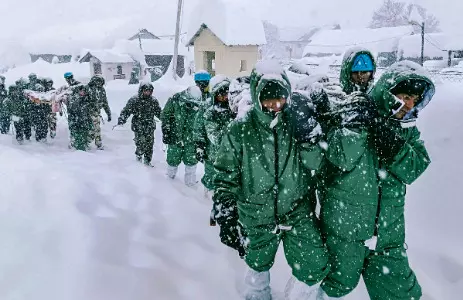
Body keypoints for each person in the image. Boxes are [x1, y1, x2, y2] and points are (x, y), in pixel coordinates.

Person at [317, 61, 435, 300]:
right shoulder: (354, 116)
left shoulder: (406, 129)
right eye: (404, 96)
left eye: (414, 98)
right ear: (388, 93)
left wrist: (388, 137)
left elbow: (415, 167)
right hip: (345, 230)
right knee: (335, 285)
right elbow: (340, 158)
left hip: (388, 234)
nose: (409, 104)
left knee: (401, 293)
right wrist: (358, 128)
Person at [213, 61, 330, 300]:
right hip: (256, 213)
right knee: (257, 265)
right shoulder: (240, 129)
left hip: (297, 210)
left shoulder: (295, 123)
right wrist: (225, 209)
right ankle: (258, 295)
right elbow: (225, 173)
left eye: (280, 99)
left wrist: (309, 138)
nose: (275, 105)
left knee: (313, 263)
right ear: (257, 97)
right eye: (268, 99)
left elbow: (316, 164)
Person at [193, 75, 235, 197]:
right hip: (212, 152)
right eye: (221, 95)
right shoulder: (207, 108)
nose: (224, 98)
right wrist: (199, 145)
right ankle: (208, 195)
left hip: (232, 153)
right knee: (211, 174)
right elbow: (198, 127)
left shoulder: (234, 107)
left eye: (227, 94)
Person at [161, 85, 202, 186]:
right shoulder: (174, 101)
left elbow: (202, 122)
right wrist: (166, 130)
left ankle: (190, 184)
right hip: (175, 136)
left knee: (191, 160)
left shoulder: (199, 104)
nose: (193, 106)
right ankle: (170, 181)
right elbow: (165, 115)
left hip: (191, 138)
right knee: (172, 158)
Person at [117, 82, 162, 167]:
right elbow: (126, 110)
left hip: (149, 125)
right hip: (138, 125)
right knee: (141, 142)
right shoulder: (134, 100)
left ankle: (147, 161)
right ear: (141, 90)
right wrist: (122, 118)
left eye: (149, 91)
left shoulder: (153, 101)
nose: (147, 93)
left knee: (149, 144)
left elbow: (158, 112)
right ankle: (139, 157)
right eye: (146, 91)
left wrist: (165, 119)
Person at [88, 75, 111, 150]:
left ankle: (97, 143)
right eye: (98, 82)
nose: (99, 84)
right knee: (92, 129)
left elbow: (105, 102)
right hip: (88, 112)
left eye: (100, 82)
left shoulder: (102, 90)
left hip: (96, 112)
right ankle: (89, 142)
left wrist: (108, 113)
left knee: (96, 129)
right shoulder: (88, 89)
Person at [67, 84, 93, 150]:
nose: (83, 92)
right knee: (79, 141)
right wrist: (73, 124)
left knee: (85, 138)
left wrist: (90, 123)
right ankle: (80, 154)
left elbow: (88, 113)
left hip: (84, 123)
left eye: (84, 91)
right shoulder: (74, 100)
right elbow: (71, 114)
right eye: (81, 91)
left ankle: (84, 148)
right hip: (78, 124)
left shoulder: (86, 99)